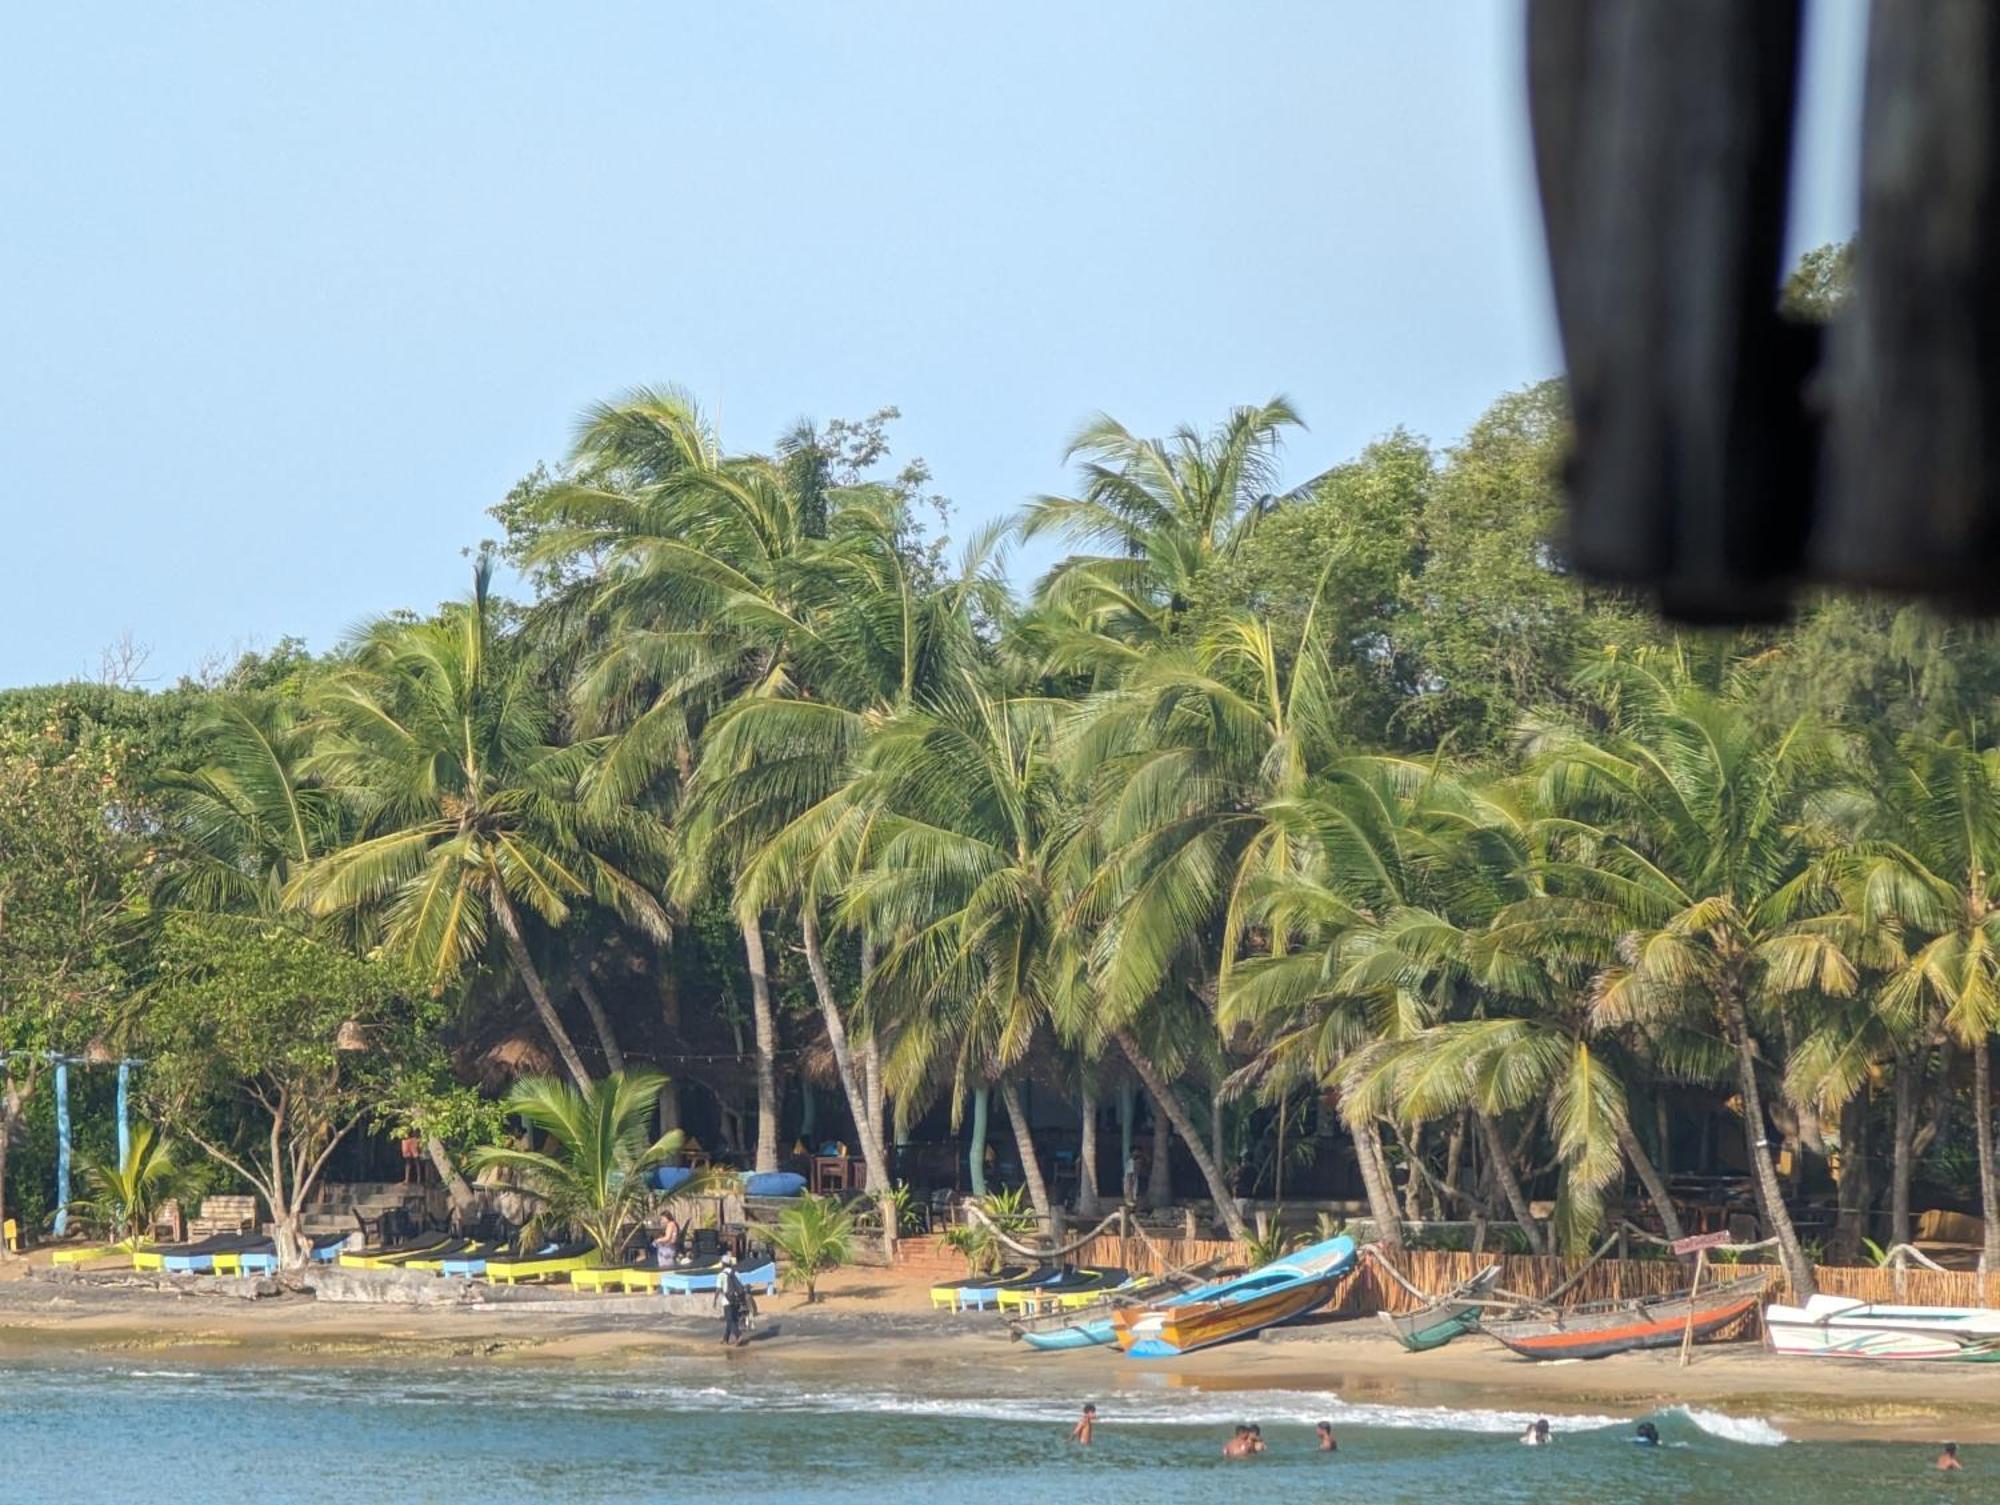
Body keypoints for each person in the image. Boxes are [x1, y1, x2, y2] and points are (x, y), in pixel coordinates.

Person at [717, 1253, 750, 1347]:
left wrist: (715, 1299)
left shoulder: (721, 1275)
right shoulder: (736, 1273)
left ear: (723, 1264)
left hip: (727, 1300)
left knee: (730, 1319)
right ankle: (725, 1338)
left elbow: (719, 1289)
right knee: (732, 1319)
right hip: (737, 1299)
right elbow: (740, 1286)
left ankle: (738, 1336)